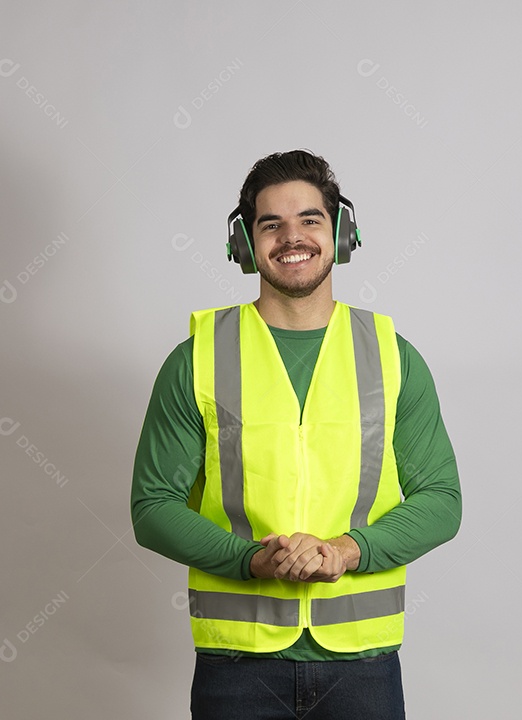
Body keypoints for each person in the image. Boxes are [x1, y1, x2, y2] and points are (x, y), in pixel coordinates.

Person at [131, 149, 461, 719]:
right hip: (236, 667)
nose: (293, 237)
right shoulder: (199, 360)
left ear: (342, 232)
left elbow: (442, 501)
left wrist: (345, 550)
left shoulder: (392, 357)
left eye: (310, 219)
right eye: (271, 223)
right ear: (245, 242)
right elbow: (152, 507)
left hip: (364, 666)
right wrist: (248, 560)